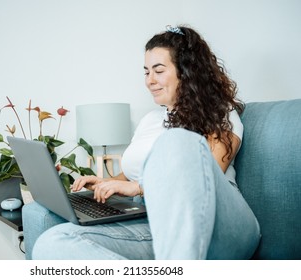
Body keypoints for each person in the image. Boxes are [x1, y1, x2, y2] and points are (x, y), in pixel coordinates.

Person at [29, 25, 261, 259]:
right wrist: (104, 183)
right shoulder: (150, 120)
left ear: (187, 72)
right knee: (52, 243)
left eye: (158, 71)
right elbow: (129, 177)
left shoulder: (220, 113)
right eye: (146, 72)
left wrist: (140, 188)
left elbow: (205, 179)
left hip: (223, 225)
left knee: (175, 140)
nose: (150, 80)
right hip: (156, 225)